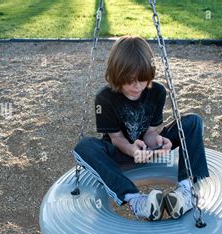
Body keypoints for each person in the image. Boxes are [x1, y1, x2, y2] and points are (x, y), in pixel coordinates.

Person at [73, 35, 209, 221]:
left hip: (147, 149)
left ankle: (186, 191)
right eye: (129, 81)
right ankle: (136, 200)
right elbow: (116, 138)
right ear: (116, 75)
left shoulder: (157, 92)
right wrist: (132, 150)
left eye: (143, 79)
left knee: (192, 122)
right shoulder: (105, 98)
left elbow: (151, 132)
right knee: (85, 146)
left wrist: (159, 142)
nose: (137, 86)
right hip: (120, 153)